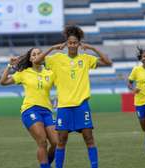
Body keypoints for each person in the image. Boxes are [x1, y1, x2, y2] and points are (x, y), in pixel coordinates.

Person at [34, 25, 112, 168]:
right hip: (64, 106)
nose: (72, 45)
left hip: (82, 105)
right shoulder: (56, 58)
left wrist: (93, 49)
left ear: (78, 44)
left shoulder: (86, 58)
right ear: (66, 44)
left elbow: (108, 62)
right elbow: (36, 61)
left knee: (89, 138)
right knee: (61, 140)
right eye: (70, 43)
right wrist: (52, 48)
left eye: (75, 42)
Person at [0, 48, 58, 168]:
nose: (36, 56)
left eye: (39, 53)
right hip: (30, 109)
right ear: (30, 59)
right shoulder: (24, 73)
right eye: (34, 54)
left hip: (47, 111)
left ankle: (46, 164)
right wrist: (10, 65)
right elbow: (3, 82)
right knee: (42, 141)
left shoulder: (50, 73)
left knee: (57, 143)